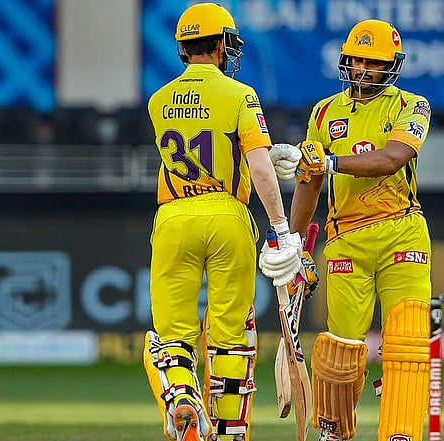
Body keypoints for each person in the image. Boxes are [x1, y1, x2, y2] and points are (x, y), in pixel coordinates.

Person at [141, 3, 305, 441]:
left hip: (173, 215)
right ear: (219, 45)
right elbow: (258, 166)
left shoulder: (158, 100)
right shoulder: (240, 94)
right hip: (227, 215)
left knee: (171, 334)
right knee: (231, 336)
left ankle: (182, 397)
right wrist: (281, 228)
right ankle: (230, 430)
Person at [285, 19, 433, 441]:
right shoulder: (324, 112)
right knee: (340, 355)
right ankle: (335, 432)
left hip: (401, 230)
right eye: (358, 59)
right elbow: (308, 182)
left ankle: (400, 433)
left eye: (374, 62)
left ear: (392, 66)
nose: (364, 68)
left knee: (407, 341)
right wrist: (293, 244)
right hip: (346, 237)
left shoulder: (412, 105)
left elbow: (392, 159)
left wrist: (331, 161)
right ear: (345, 59)